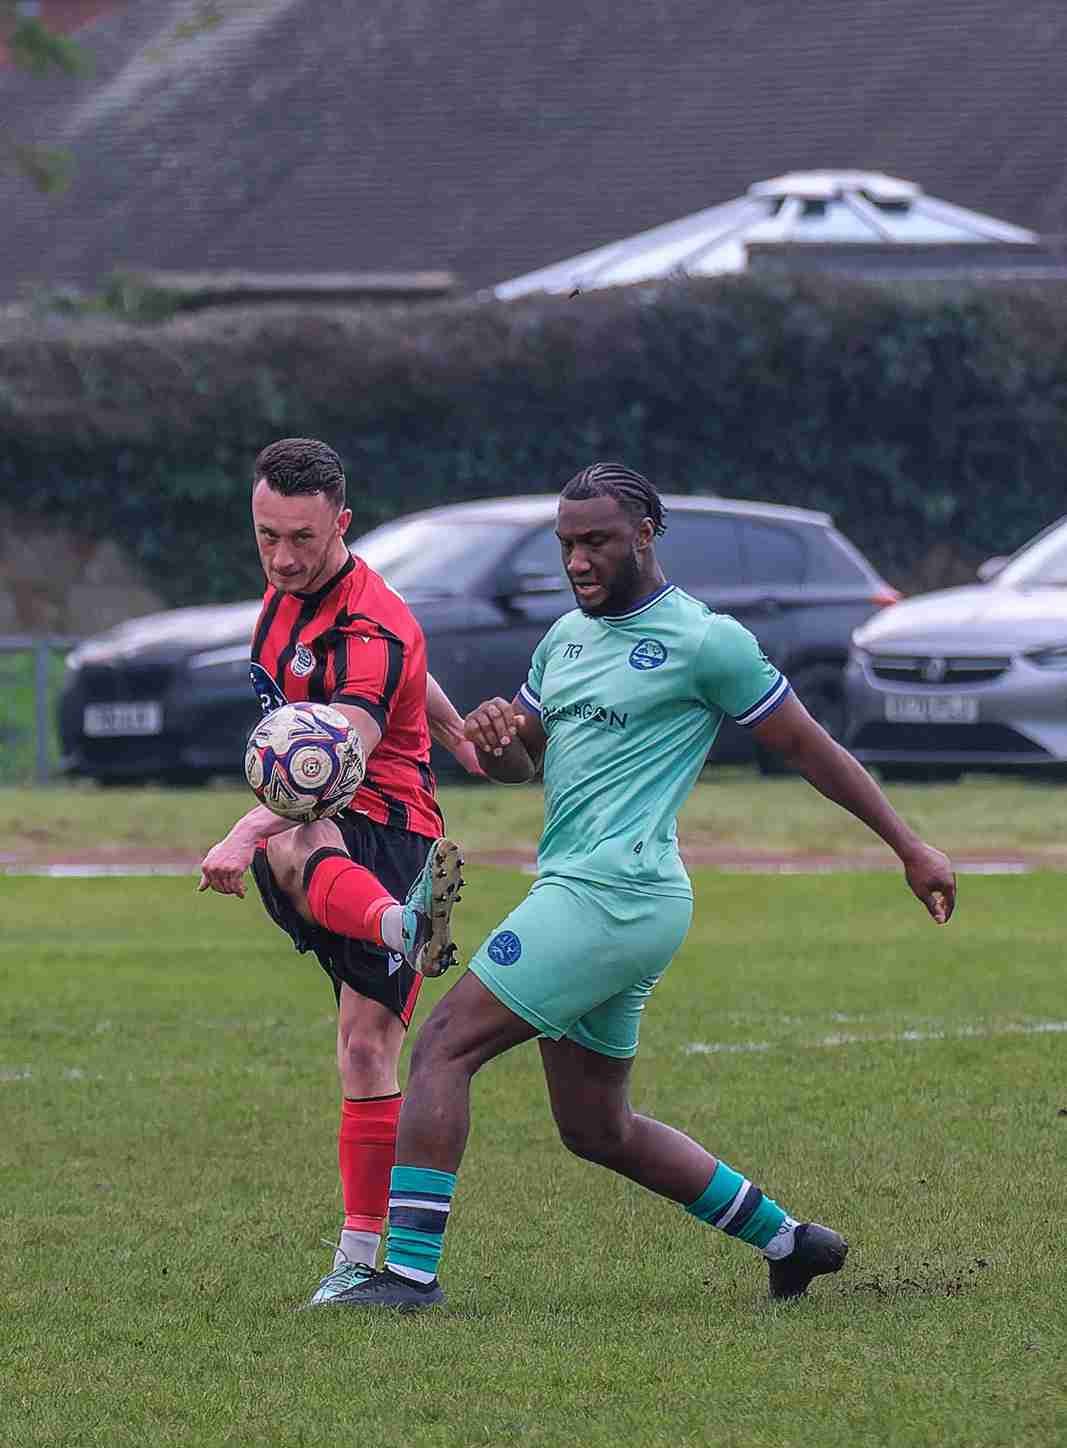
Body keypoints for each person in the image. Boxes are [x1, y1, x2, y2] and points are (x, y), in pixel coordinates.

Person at [315, 460, 958, 1314]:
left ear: (645, 535)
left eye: (597, 542)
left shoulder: (705, 641)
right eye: (565, 545)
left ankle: (406, 1276)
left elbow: (810, 747)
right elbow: (520, 763)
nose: (576, 561)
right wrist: (496, 739)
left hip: (612, 894)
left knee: (442, 1047)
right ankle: (791, 1241)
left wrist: (908, 846)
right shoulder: (562, 640)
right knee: (596, 1128)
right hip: (603, 898)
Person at [199, 436, 478, 1304]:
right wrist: (453, 726)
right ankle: (359, 1261)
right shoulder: (291, 596)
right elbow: (405, 672)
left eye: (303, 539)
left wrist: (244, 831)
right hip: (353, 845)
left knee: (292, 841)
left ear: (342, 525)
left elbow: (337, 757)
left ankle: (402, 922)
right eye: (267, 536)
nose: (283, 557)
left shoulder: (369, 622)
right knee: (363, 1048)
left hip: (385, 834)